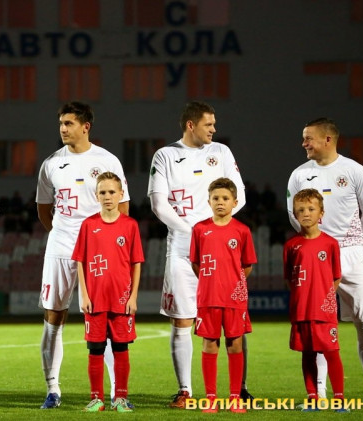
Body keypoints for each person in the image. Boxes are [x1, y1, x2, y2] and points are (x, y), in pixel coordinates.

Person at [147, 101, 252, 407]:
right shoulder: (165, 155)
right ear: (191, 125)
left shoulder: (221, 152)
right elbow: (159, 204)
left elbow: (240, 196)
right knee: (182, 319)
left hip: (221, 252)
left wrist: (216, 228)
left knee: (233, 321)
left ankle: (239, 389)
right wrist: (194, 231)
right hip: (182, 249)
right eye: (209, 124)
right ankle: (185, 391)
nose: (214, 129)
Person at [36, 101, 130, 409]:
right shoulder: (51, 163)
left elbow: (123, 209)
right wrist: (63, 233)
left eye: (69, 123)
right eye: (61, 123)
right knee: (53, 315)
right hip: (61, 247)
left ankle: (116, 393)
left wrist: (103, 241)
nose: (63, 128)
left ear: (86, 126)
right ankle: (53, 390)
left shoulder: (107, 161)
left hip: (99, 252)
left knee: (106, 319)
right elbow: (44, 209)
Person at [287, 118, 363, 405]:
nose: (303, 143)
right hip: (317, 257)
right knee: (318, 325)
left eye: (308, 138)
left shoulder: (355, 171)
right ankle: (320, 392)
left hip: (351, 253)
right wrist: (315, 243)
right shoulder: (299, 174)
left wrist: (354, 240)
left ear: (328, 139)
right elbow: (293, 215)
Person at [72, 172, 144, 412]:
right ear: (96, 195)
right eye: (102, 192)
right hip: (95, 299)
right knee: (95, 349)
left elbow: (136, 263)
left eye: (112, 192)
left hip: (122, 299)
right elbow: (80, 261)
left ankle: (120, 398)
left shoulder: (130, 225)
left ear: (121, 194)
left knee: (121, 349)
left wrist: (133, 296)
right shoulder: (88, 225)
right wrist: (84, 295)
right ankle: (97, 399)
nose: (107, 196)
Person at [190, 178, 256, 413]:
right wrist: (211, 282)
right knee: (209, 345)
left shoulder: (242, 230)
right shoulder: (200, 229)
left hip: (234, 299)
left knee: (235, 344)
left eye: (225, 198)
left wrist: (232, 284)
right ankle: (210, 398)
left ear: (234, 202)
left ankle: (235, 397)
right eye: (216, 198)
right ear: (208, 201)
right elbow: (196, 263)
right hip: (208, 298)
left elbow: (247, 265)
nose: (220, 202)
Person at [284, 189, 346, 412]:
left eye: (311, 209)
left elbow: (336, 277)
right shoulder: (291, 246)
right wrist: (302, 299)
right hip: (301, 311)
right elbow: (289, 279)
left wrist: (324, 299)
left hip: (324, 312)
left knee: (332, 353)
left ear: (321, 213)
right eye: (300, 210)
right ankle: (312, 397)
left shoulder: (330, 244)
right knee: (307, 354)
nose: (306, 213)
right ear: (295, 214)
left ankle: (339, 399)